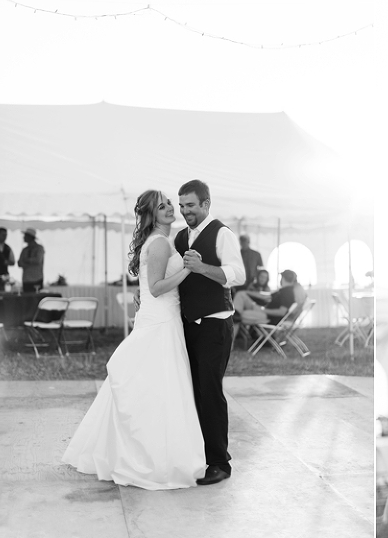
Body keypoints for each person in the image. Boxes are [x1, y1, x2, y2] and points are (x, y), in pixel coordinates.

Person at [62, 190, 206, 490]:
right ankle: (149, 456)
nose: (169, 208)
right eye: (162, 206)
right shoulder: (159, 243)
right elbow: (155, 288)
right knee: (158, 386)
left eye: (169, 204)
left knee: (159, 385)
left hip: (164, 318)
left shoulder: (164, 240)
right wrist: (188, 272)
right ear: (151, 214)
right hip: (160, 320)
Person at [174, 179, 245, 485]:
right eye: (181, 206)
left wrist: (202, 268)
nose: (184, 211)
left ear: (205, 204)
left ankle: (219, 462)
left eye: (190, 205)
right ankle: (199, 454)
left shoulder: (222, 234)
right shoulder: (179, 238)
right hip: (187, 324)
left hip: (216, 323)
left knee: (210, 390)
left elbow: (238, 275)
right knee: (193, 390)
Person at [237, 269, 304, 326]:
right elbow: (264, 296)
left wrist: (262, 310)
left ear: (283, 278)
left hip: (268, 317)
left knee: (238, 316)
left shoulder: (287, 293)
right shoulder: (284, 290)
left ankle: (234, 319)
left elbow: (281, 312)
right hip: (263, 311)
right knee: (241, 294)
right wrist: (246, 292)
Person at [18, 228, 44, 292]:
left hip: (37, 279)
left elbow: (38, 260)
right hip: (26, 280)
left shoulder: (39, 248)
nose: (24, 237)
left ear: (30, 237)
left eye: (26, 235)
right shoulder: (25, 250)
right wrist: (30, 262)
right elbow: (19, 263)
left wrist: (26, 260)